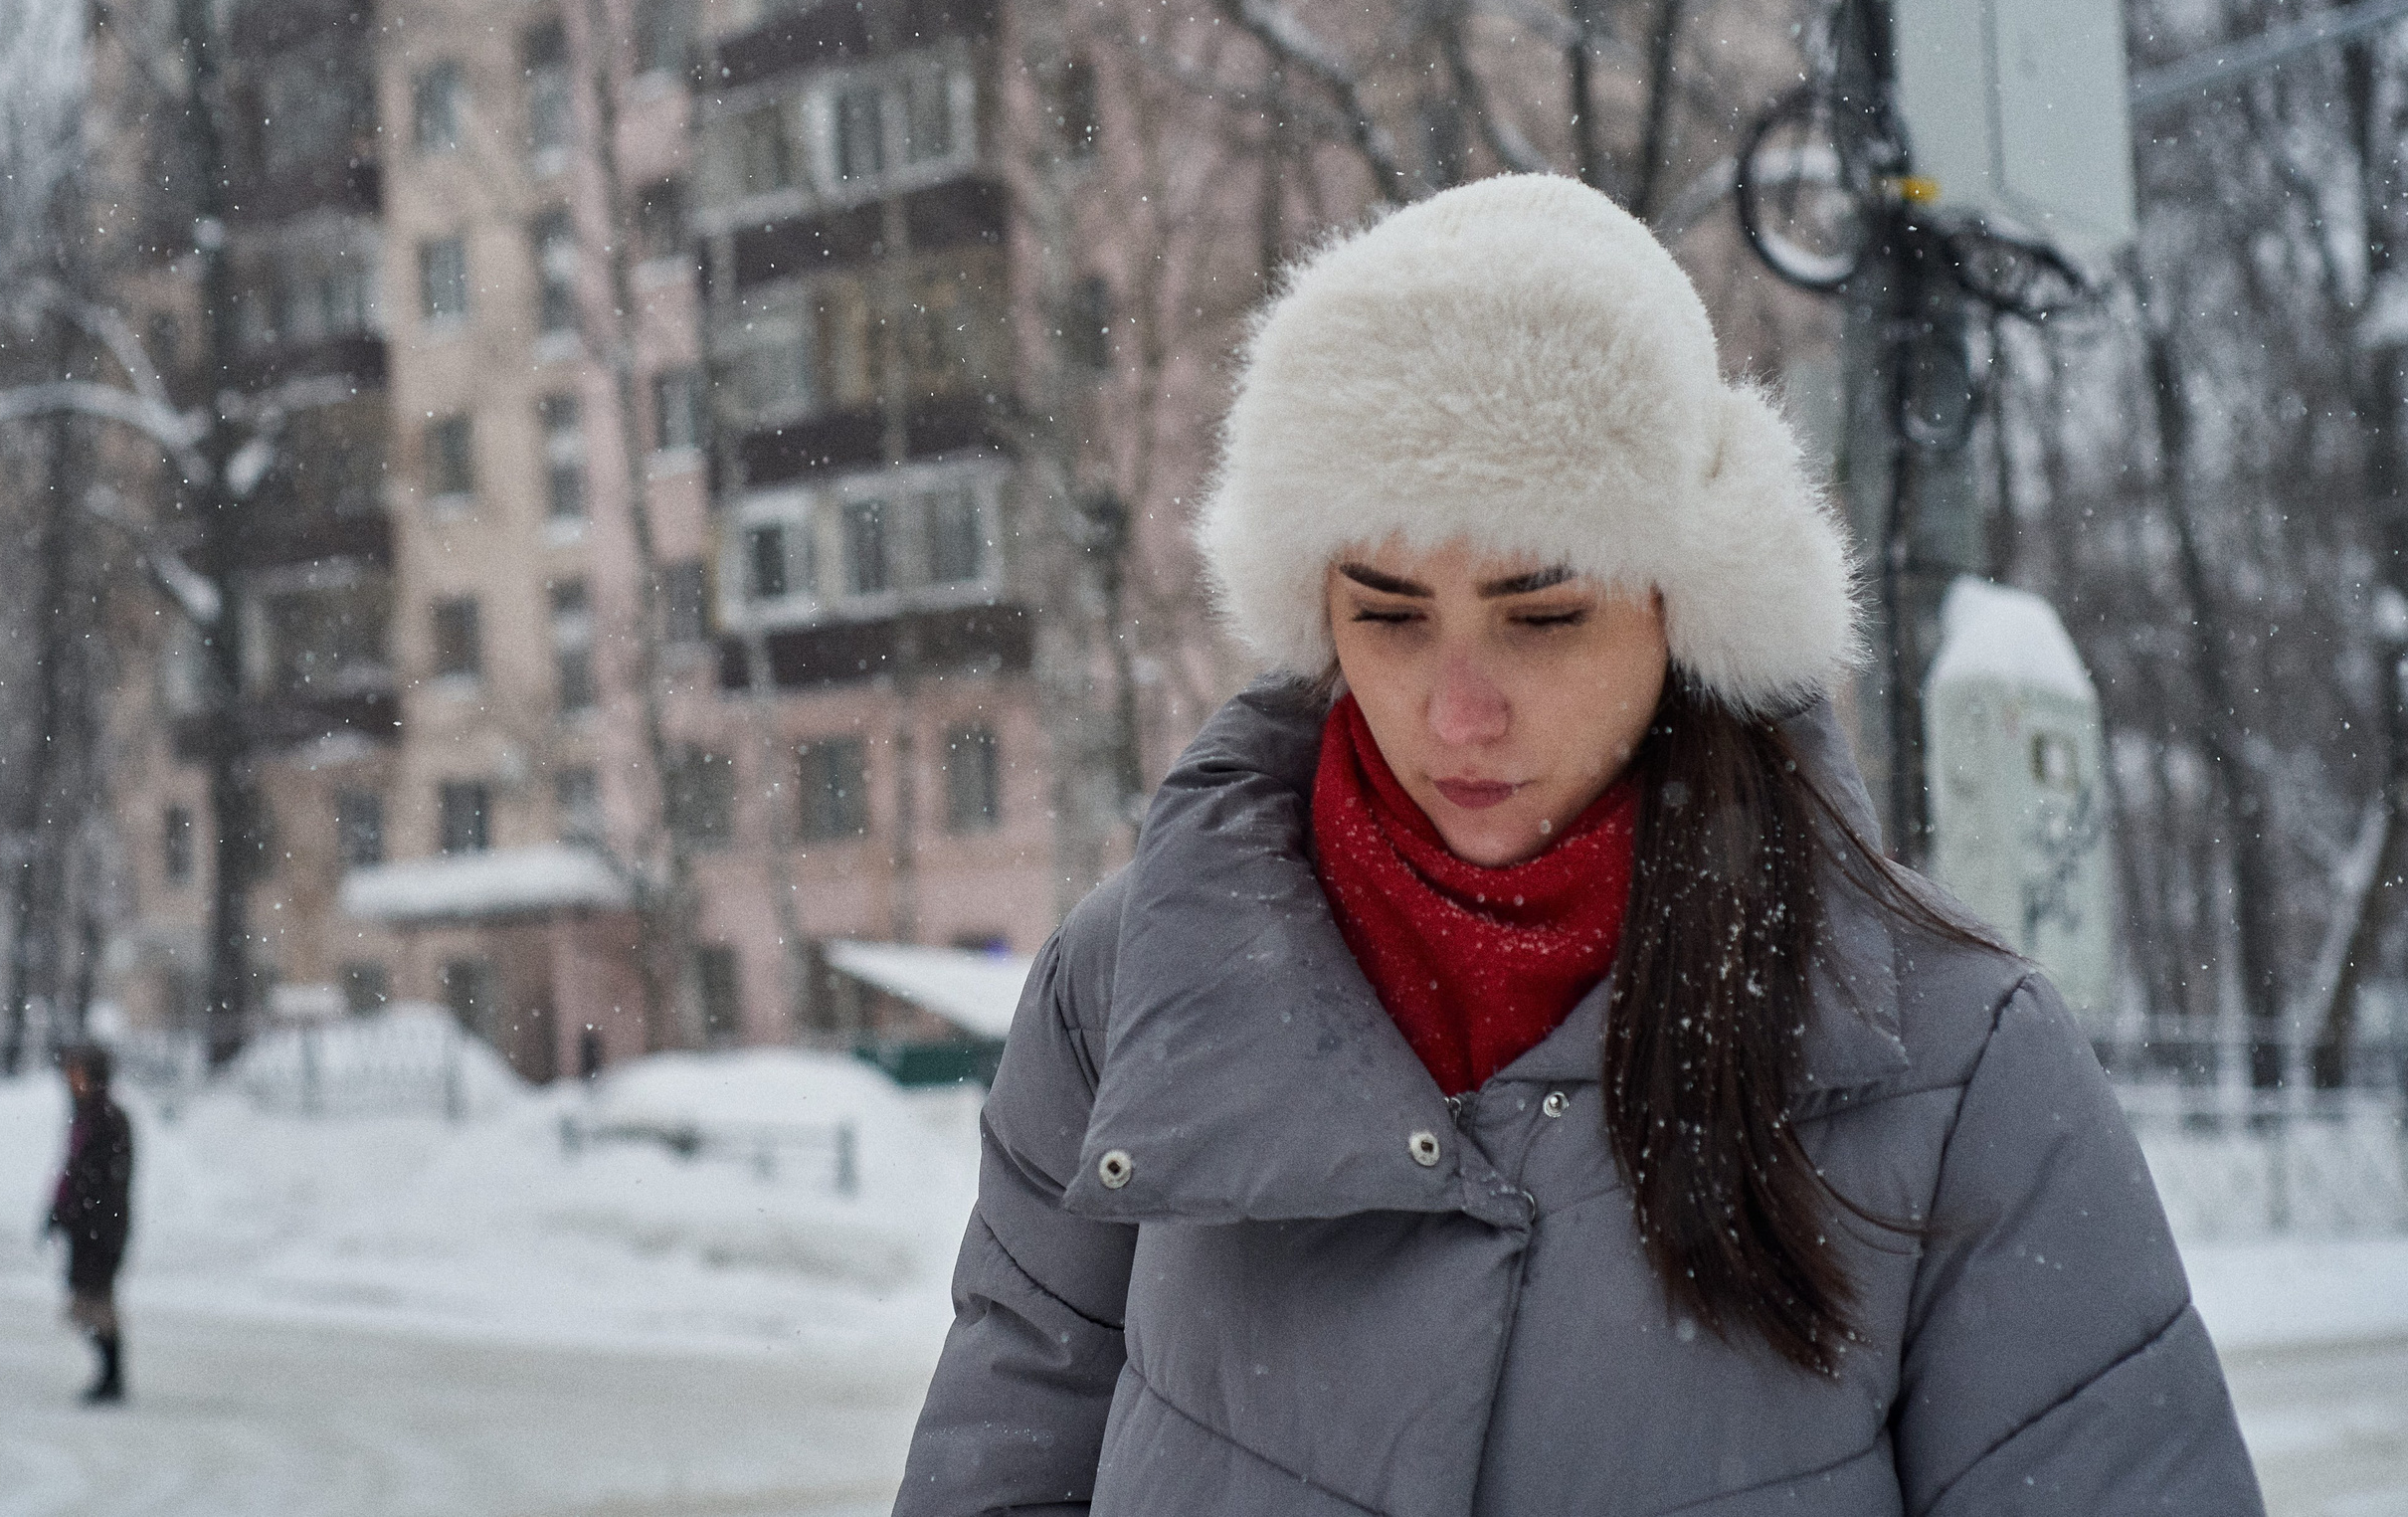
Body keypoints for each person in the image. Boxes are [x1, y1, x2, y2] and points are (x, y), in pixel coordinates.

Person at [893, 175, 2263, 1514]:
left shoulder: (1959, 1060)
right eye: (1388, 614)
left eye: (1541, 615)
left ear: (1688, 601)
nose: (1457, 709)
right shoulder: (1133, 981)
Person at [47, 1041, 132, 1405]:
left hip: (100, 1228)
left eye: (77, 1070)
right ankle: (109, 1375)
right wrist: (57, 1212)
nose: (70, 1077)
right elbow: (71, 1173)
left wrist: (91, 1218)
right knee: (86, 1303)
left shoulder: (108, 1117)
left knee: (93, 1303)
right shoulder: (84, 1115)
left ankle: (112, 1376)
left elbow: (105, 1179)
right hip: (85, 1226)